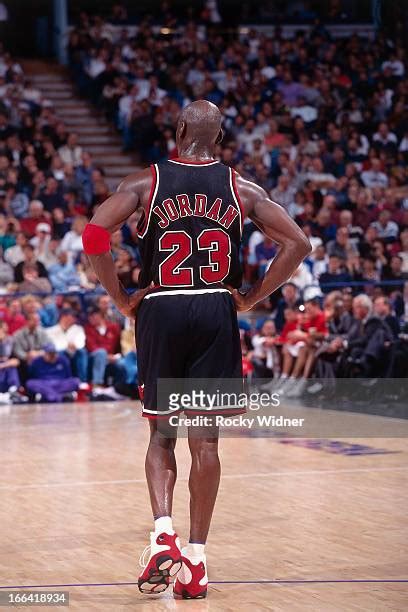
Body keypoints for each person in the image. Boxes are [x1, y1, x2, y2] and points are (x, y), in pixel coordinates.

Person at [82, 100, 310, 599]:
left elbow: (95, 232)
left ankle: (164, 534)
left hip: (161, 307)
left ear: (180, 129)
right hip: (214, 309)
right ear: (222, 137)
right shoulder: (242, 189)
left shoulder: (145, 183)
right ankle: (198, 562)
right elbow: (297, 243)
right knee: (205, 444)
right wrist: (250, 297)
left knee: (162, 435)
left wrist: (121, 299)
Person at [46, 309, 88, 382]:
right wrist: (66, 346)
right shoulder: (50, 330)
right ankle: (65, 380)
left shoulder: (78, 329)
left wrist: (75, 345)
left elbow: (81, 342)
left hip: (74, 351)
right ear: (62, 317)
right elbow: (53, 345)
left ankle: (82, 381)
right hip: (59, 351)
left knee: (82, 352)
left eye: (72, 318)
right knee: (61, 353)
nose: (70, 320)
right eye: (68, 318)